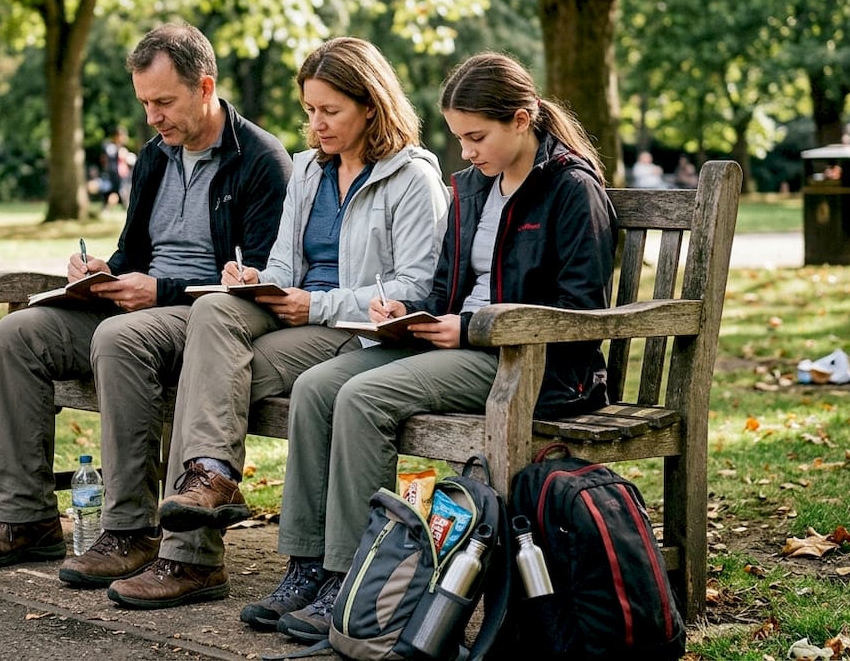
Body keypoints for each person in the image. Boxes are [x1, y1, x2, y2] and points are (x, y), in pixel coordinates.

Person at [246, 52, 617, 642]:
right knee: (316, 388)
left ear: (522, 120)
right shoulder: (472, 187)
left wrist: (470, 330)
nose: (465, 152)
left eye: (477, 137)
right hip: (458, 345)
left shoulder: (571, 189)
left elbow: (581, 312)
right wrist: (406, 314)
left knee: (364, 396)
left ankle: (354, 581)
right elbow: (444, 287)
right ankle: (308, 565)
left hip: (527, 365)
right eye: (459, 137)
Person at [94, 37, 450, 610]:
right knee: (214, 312)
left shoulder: (412, 179)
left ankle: (193, 558)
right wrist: (254, 277)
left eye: (330, 111)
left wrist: (318, 305)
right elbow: (284, 264)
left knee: (203, 376)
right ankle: (210, 479)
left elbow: (416, 287)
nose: (317, 125)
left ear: (371, 106)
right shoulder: (309, 171)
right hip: (295, 318)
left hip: (356, 333)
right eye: (310, 110)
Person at [0, 24, 292, 581]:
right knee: (18, 334)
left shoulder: (260, 160)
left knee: (118, 337)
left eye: (163, 102)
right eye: (145, 103)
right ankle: (25, 518)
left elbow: (261, 282)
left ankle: (131, 530)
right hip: (140, 307)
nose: (152, 117)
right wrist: (102, 271)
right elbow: (135, 252)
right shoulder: (156, 156)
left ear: (205, 87)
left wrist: (161, 290)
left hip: (204, 318)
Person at [100, 126, 136, 207]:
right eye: (123, 136)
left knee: (119, 194)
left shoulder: (122, 148)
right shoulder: (109, 146)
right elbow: (108, 159)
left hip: (123, 177)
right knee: (115, 194)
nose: (125, 138)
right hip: (113, 176)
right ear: (117, 136)